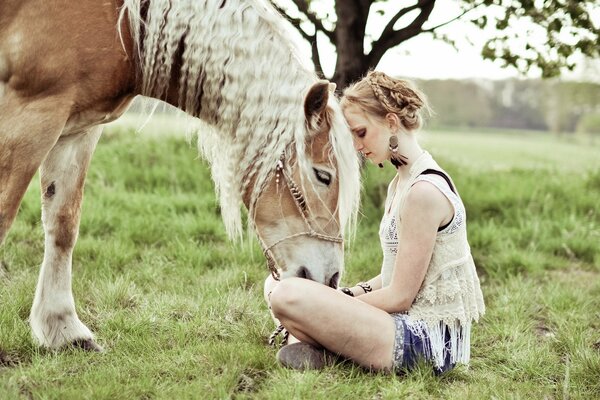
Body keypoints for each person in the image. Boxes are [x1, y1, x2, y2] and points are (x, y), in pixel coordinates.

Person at [264, 71, 485, 374]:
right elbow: (396, 274)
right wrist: (349, 295)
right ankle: (325, 348)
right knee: (276, 284)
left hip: (427, 343)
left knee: (288, 295)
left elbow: (401, 296)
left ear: (391, 123)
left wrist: (331, 306)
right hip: (400, 326)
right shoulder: (402, 183)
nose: (356, 146)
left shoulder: (423, 192)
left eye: (361, 132)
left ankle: (316, 343)